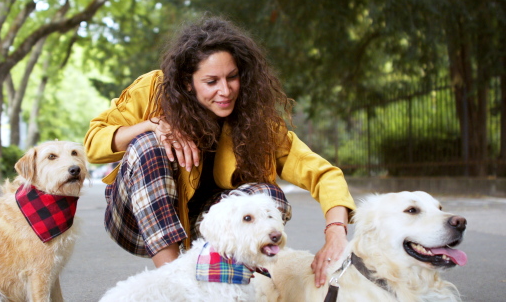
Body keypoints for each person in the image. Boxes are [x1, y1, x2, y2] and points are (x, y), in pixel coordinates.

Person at [84, 16, 356, 288]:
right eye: (211, 81)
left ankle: (227, 286)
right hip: (137, 219)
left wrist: (335, 232)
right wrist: (154, 125)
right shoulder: (154, 89)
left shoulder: (258, 122)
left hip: (205, 229)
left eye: (232, 77)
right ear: (188, 82)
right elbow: (94, 144)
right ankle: (174, 283)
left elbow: (322, 173)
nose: (225, 91)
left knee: (268, 195)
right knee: (148, 143)